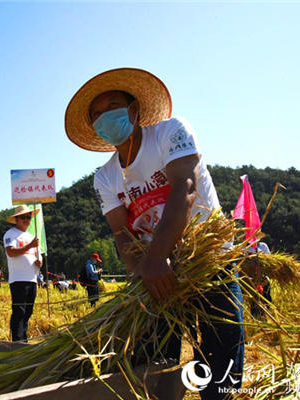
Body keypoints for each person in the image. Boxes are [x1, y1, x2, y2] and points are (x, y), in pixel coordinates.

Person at [65, 68, 244, 399]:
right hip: (155, 274)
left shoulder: (170, 133)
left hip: (207, 261)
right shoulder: (105, 178)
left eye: (113, 105)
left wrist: (159, 254)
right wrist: (139, 269)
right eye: (97, 114)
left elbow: (185, 187)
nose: (106, 116)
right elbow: (121, 233)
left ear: (134, 110)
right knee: (153, 362)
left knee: (221, 355)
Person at [3, 205, 42, 342]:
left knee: (28, 311)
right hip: (18, 279)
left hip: (32, 278)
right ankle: (17, 341)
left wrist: (39, 263)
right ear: (16, 220)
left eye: (28, 217)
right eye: (23, 217)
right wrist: (29, 246)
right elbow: (11, 252)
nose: (26, 219)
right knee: (19, 311)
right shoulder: (10, 234)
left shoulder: (32, 236)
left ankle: (23, 338)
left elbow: (37, 256)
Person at [248, 241, 272, 317]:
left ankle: (266, 315)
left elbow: (269, 260)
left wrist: (260, 260)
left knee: (266, 297)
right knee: (254, 299)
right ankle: (256, 316)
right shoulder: (244, 248)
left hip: (263, 278)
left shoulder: (263, 246)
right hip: (251, 279)